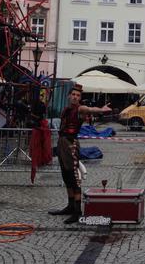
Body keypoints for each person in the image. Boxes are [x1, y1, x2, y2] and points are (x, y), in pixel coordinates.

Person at [48, 84, 112, 224]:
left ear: (80, 98)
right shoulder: (66, 110)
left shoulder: (80, 109)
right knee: (66, 176)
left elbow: (90, 109)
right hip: (62, 143)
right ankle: (70, 206)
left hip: (71, 144)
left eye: (78, 95)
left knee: (74, 177)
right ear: (69, 96)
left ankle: (77, 211)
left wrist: (101, 109)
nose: (75, 97)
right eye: (74, 95)